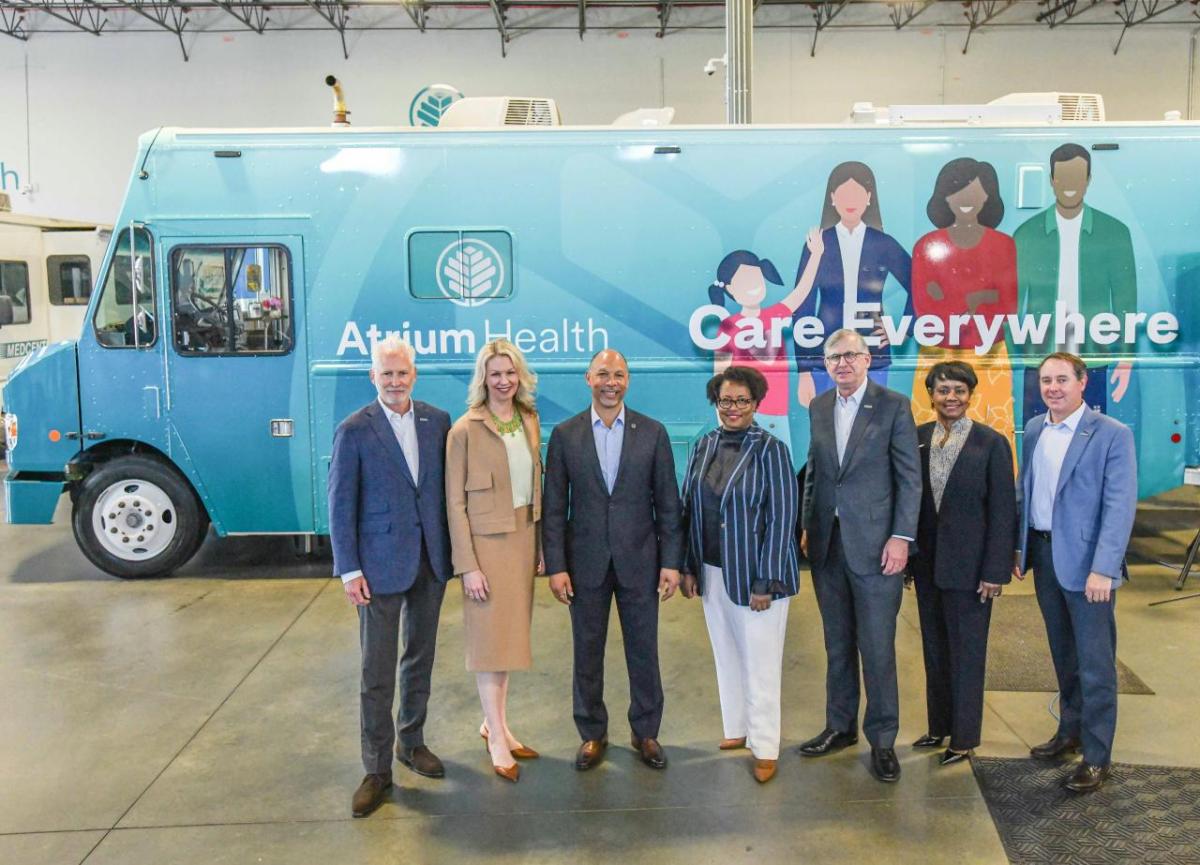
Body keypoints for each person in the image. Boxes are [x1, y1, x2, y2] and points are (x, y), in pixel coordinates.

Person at [328, 336, 453, 819]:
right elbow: (341, 505)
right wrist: (349, 569)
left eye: (403, 373)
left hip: (429, 562)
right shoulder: (354, 431)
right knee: (375, 672)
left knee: (419, 658)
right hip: (377, 566)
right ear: (373, 377)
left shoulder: (437, 421)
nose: (395, 381)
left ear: (414, 375)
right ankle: (377, 769)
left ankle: (411, 741)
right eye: (387, 374)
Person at [542, 349, 684, 771]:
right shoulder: (566, 435)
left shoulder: (652, 433)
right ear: (588, 378)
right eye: (603, 373)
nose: (611, 382)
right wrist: (556, 565)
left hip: (641, 560)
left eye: (619, 374)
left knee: (645, 651)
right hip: (584, 563)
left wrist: (671, 562)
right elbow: (554, 508)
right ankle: (592, 733)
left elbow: (669, 504)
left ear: (628, 381)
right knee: (587, 652)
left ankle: (646, 731)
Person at [799, 328, 921, 783]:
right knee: (837, 645)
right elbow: (815, 470)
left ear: (867, 360)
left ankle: (883, 740)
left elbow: (909, 479)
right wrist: (809, 526)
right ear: (826, 365)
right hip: (828, 546)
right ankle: (840, 726)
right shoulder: (819, 407)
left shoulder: (893, 406)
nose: (843, 363)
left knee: (877, 648)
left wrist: (901, 537)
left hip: (877, 550)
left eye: (851, 355)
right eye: (834, 357)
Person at [1015, 352, 1136, 793]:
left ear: (1082, 383)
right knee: (1064, 656)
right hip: (1046, 559)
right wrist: (1020, 548)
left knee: (1095, 663)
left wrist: (1104, 568)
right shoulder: (1033, 430)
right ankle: (1069, 733)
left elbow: (1119, 507)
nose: (1053, 388)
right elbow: (1025, 492)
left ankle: (1097, 755)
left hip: (1089, 569)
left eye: (1062, 379)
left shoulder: (1111, 435)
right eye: (1046, 380)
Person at [679, 366, 799, 784]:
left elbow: (783, 519)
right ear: (716, 402)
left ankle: (765, 746)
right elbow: (688, 507)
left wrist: (766, 580)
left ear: (756, 404)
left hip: (755, 579)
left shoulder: (772, 450)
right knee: (726, 654)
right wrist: (689, 566)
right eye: (726, 401)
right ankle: (738, 729)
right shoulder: (704, 444)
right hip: (711, 570)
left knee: (761, 663)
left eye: (742, 401)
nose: (733, 409)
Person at [908, 360, 1016, 767]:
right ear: (930, 395)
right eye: (942, 390)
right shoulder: (917, 438)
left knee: (967, 654)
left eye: (958, 390)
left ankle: (964, 737)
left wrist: (994, 571)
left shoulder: (990, 443)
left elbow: (1004, 512)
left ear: (970, 395)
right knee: (934, 650)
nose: (950, 398)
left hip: (972, 573)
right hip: (927, 567)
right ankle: (939, 727)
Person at [445, 338, 544, 784]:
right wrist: (468, 565)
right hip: (485, 548)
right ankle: (497, 740)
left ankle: (496, 724)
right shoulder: (463, 431)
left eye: (510, 373)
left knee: (509, 642)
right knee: (489, 645)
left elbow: (534, 488)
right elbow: (454, 504)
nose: (503, 381)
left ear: (519, 377)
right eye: (495, 373)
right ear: (482, 378)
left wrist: (541, 546)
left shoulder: (529, 420)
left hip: (523, 539)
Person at [1012, 143, 1138, 416]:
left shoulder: (1114, 233)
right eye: (1063, 177)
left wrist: (1126, 358)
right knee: (1036, 438)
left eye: (1077, 177)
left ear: (1088, 180)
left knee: (1091, 440)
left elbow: (1126, 300)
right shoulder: (1026, 234)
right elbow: (1012, 305)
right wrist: (1013, 360)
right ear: (1052, 181)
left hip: (1092, 360)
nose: (1070, 185)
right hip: (1038, 362)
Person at [909, 158, 1017, 454]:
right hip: (937, 353)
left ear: (988, 196)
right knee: (928, 441)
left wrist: (957, 298)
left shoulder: (1004, 245)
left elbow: (1008, 305)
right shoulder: (926, 246)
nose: (966, 200)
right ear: (944, 197)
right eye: (958, 192)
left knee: (993, 439)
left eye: (976, 192)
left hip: (990, 355)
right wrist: (980, 297)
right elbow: (925, 307)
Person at [791, 161, 914, 407]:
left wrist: (902, 330)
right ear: (832, 198)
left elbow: (918, 286)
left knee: (875, 429)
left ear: (869, 198)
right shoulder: (818, 243)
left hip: (873, 354)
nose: (851, 200)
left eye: (857, 193)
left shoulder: (883, 243)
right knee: (827, 431)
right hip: (823, 354)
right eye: (844, 193)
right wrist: (804, 370)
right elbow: (802, 303)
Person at [710, 237, 824, 451]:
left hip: (777, 413)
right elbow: (719, 377)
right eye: (744, 282)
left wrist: (816, 254)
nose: (753, 286)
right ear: (730, 289)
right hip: (742, 414)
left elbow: (802, 291)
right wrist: (723, 423)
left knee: (779, 469)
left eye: (756, 279)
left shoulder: (775, 315)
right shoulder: (728, 326)